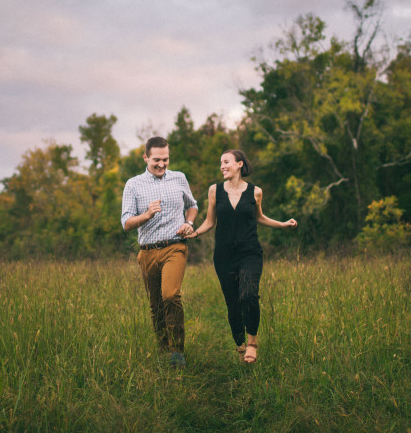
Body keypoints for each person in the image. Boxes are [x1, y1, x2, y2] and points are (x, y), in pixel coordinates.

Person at [190, 149, 296, 364]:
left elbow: (260, 217)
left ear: (239, 164)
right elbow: (210, 222)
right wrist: (194, 232)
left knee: (248, 294)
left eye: (226, 162)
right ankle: (239, 346)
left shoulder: (256, 192)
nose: (222, 166)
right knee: (233, 303)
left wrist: (282, 224)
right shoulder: (215, 191)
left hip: (250, 252)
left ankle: (252, 343)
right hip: (223, 254)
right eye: (220, 163)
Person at [121, 136, 198, 368]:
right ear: (146, 157)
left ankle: (177, 351)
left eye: (165, 159)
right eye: (157, 160)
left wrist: (190, 223)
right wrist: (146, 215)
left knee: (170, 295)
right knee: (155, 305)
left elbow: (192, 205)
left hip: (175, 246)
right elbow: (125, 222)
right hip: (147, 252)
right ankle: (164, 350)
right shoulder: (133, 184)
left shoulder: (179, 178)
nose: (162, 164)